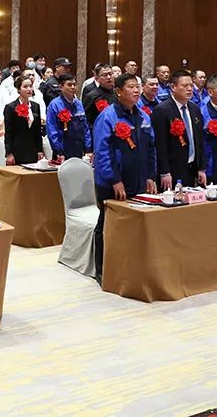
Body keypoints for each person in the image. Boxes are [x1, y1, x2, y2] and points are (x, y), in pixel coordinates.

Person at [92, 73, 157, 284]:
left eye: (137, 86)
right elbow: (102, 152)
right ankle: (102, 270)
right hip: (112, 183)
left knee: (135, 224)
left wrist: (150, 176)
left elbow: (150, 149)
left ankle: (131, 267)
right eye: (131, 87)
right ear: (119, 92)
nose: (136, 90)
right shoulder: (107, 116)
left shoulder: (143, 116)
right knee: (108, 225)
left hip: (138, 180)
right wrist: (114, 179)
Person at [153, 69, 207, 189]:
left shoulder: (195, 109)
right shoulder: (162, 110)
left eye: (191, 85)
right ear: (173, 87)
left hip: (192, 167)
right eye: (185, 86)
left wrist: (201, 168)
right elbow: (160, 145)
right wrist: (164, 172)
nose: (189, 89)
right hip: (172, 169)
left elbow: (199, 141)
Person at [47, 74, 91, 161]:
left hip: (79, 149)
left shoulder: (78, 104)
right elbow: (52, 130)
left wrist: (88, 148)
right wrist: (58, 151)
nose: (73, 87)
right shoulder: (54, 105)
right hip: (63, 150)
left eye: (74, 84)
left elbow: (85, 128)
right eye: (69, 85)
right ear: (61, 87)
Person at [3, 74, 43, 165]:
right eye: (25, 87)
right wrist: (9, 153)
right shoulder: (10, 107)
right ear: (18, 89)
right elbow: (8, 132)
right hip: (17, 149)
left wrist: (40, 150)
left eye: (30, 86)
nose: (29, 89)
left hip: (32, 149)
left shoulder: (36, 106)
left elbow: (37, 131)